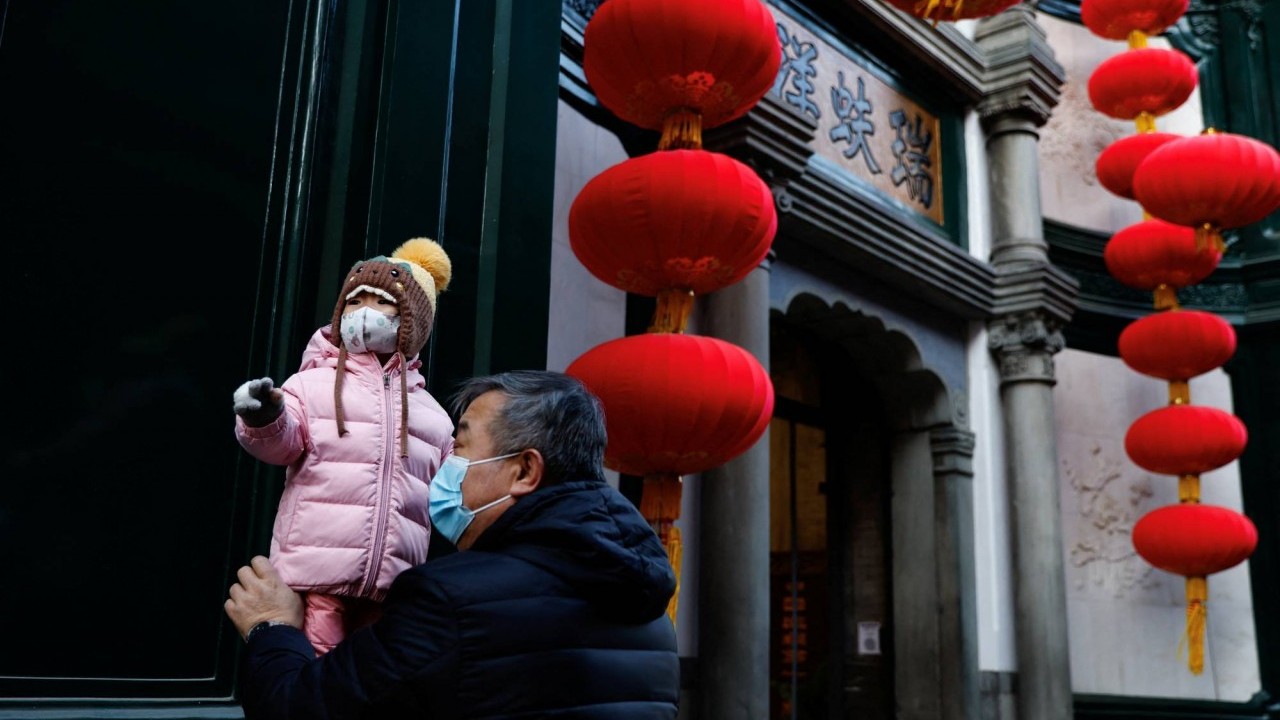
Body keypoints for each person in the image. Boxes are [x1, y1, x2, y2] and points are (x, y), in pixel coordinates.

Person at [224, 370, 679, 719]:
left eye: (460, 449)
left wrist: (272, 629)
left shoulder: (449, 600)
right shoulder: (652, 616)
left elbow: (303, 709)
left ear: (524, 471)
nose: (444, 471)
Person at [232, 238, 455, 656]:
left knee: (374, 682)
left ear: (414, 321)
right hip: (315, 578)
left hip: (393, 585)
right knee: (316, 675)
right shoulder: (309, 384)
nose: (364, 312)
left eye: (381, 302)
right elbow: (282, 443)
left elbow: (450, 496)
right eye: (355, 301)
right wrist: (263, 416)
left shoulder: (433, 415)